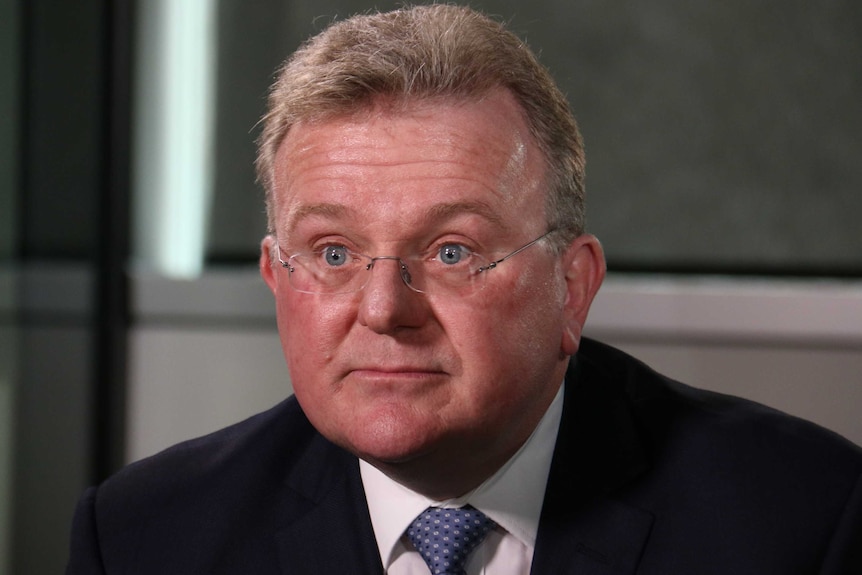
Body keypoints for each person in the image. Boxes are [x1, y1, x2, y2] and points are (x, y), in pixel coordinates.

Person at [66, 4, 861, 573]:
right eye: (334, 252)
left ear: (572, 287)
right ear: (277, 279)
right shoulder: (144, 537)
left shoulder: (803, 521)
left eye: (451, 250)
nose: (383, 310)